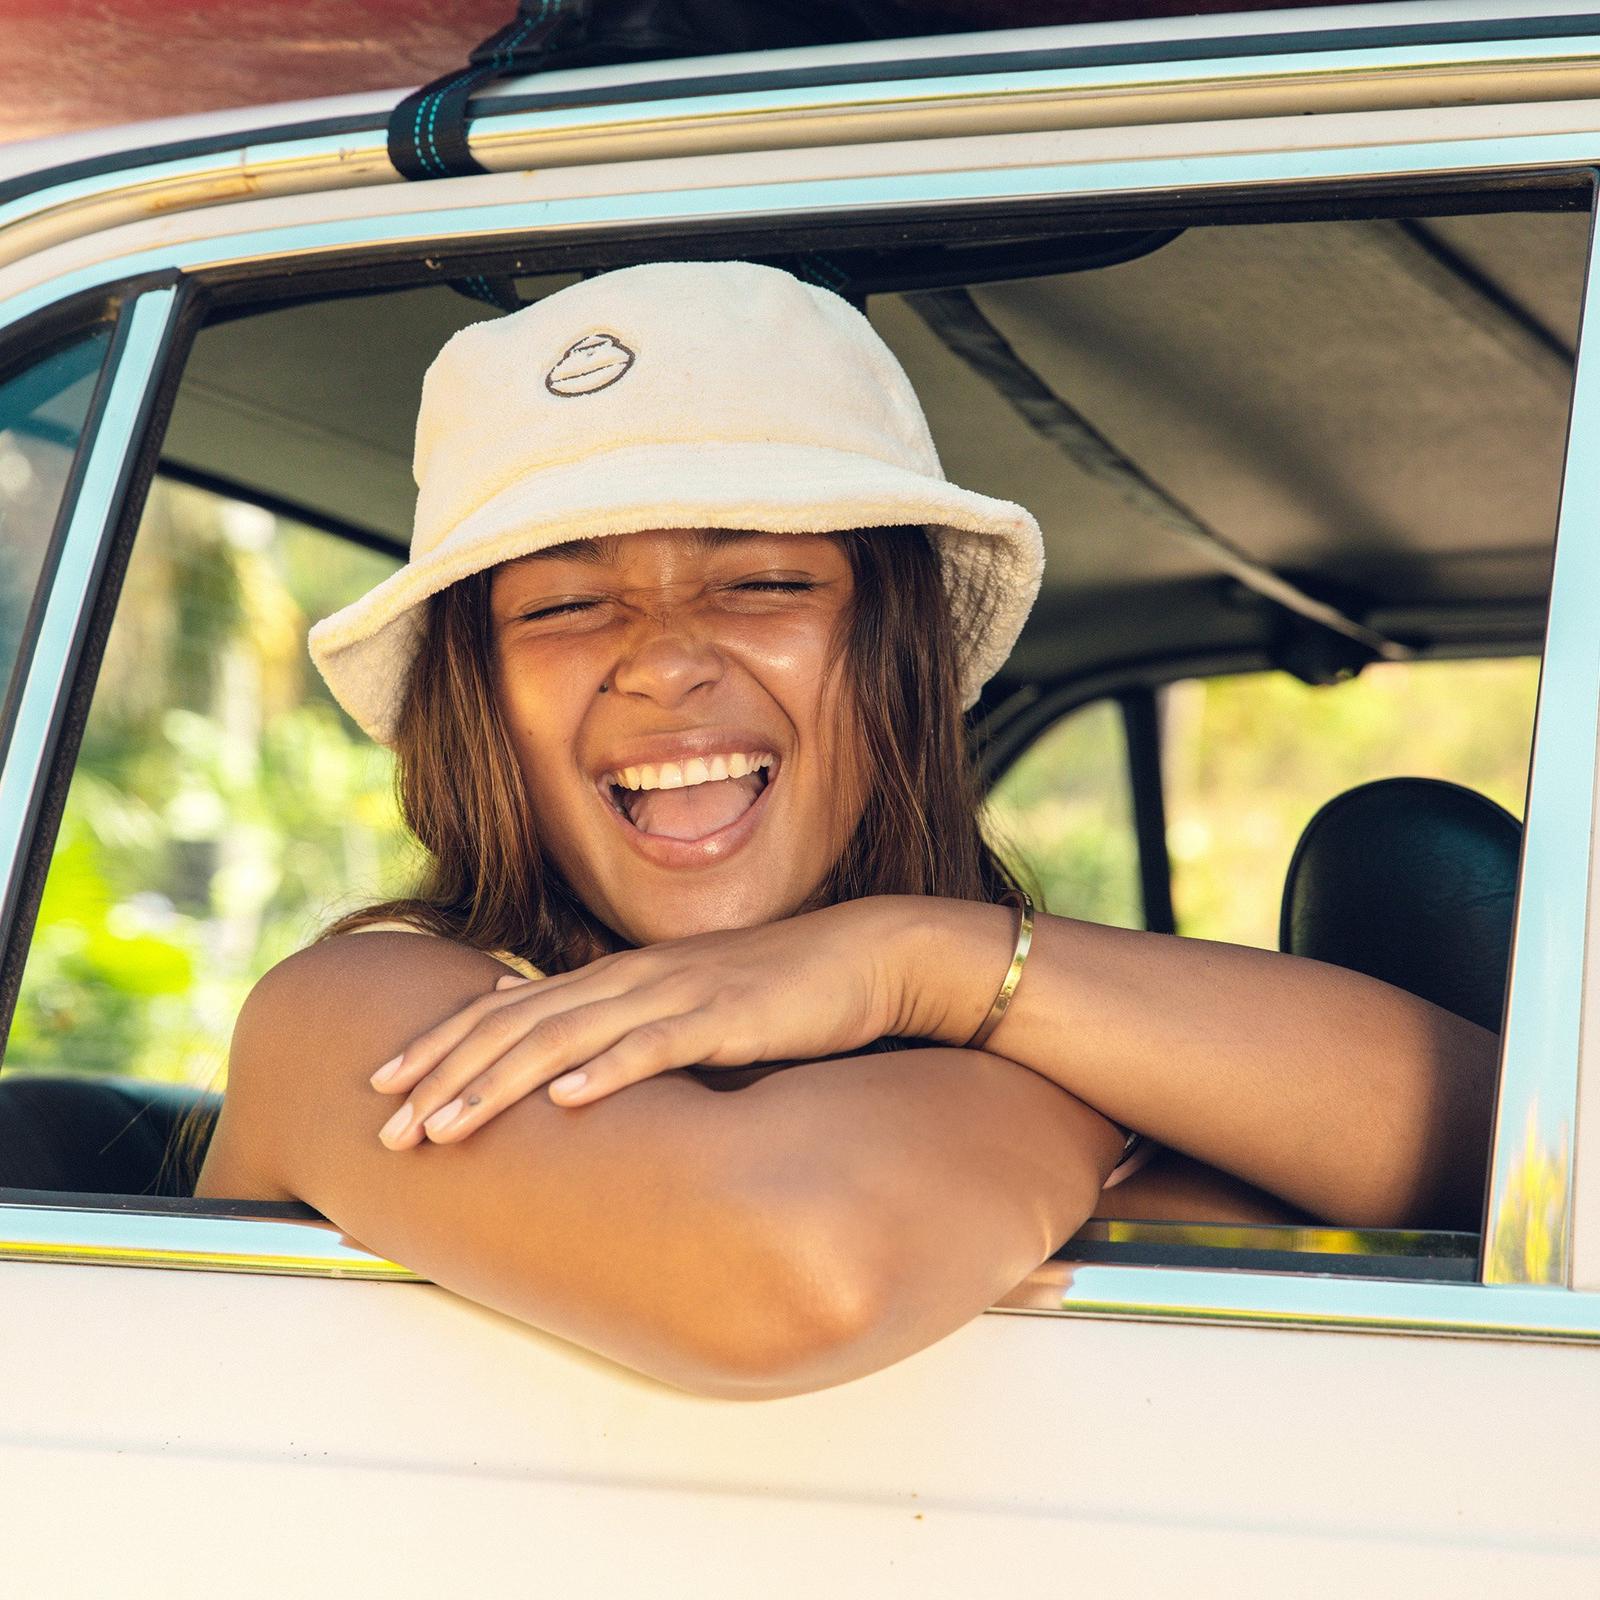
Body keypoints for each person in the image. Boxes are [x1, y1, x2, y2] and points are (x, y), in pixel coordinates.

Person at [193, 260, 1498, 1398]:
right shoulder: (354, 1017)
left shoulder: (972, 1004)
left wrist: (923, 960)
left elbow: (1510, 1157)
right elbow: (795, 1269)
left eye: (763, 580)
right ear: (477, 699)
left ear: (897, 657)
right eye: (565, 607)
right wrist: (1072, 1076)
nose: (667, 663)